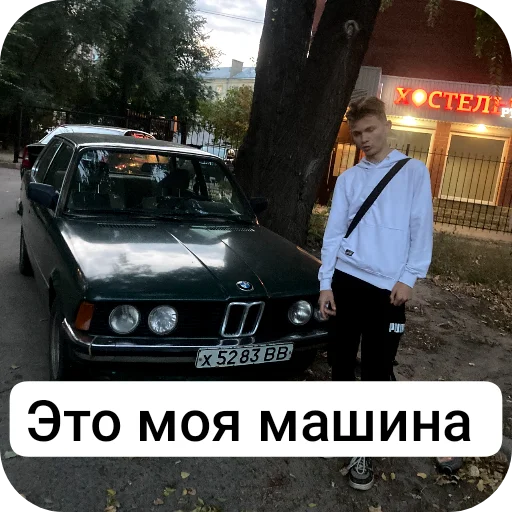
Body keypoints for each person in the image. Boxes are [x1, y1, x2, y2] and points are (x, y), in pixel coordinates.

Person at [317, 96, 434, 490]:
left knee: (378, 369)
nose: (364, 139)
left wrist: (409, 277)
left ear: (386, 125)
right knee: (340, 363)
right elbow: (334, 234)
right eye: (357, 133)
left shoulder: (413, 172)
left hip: (388, 291)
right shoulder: (349, 180)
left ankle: (365, 445)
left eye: (370, 129)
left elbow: (421, 227)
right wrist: (326, 284)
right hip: (346, 282)